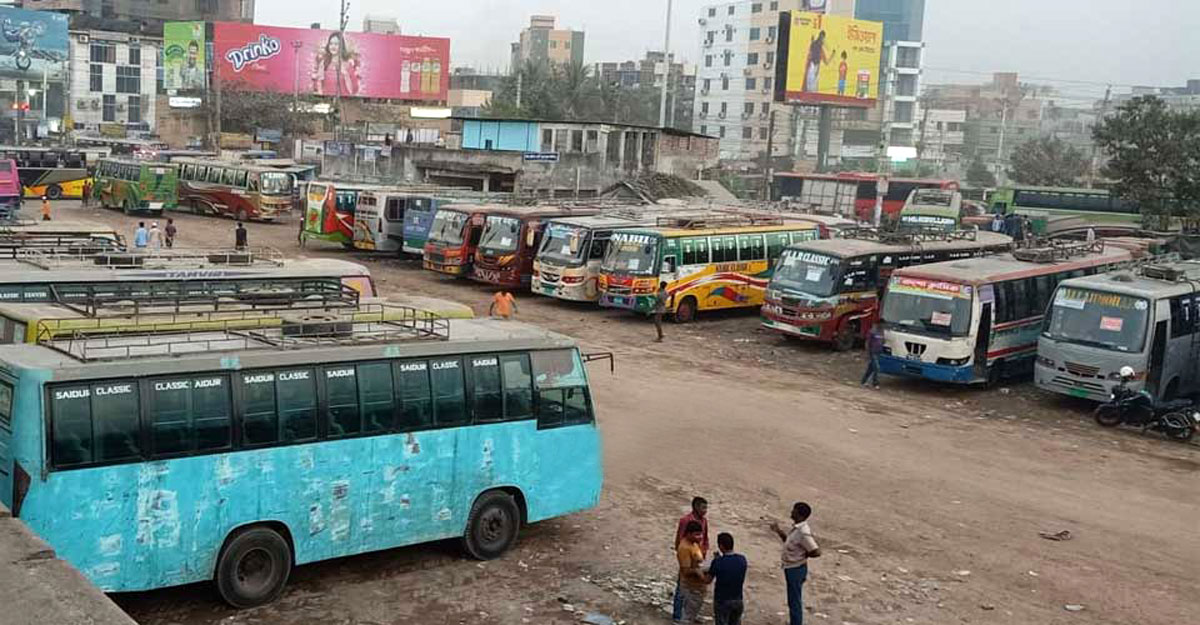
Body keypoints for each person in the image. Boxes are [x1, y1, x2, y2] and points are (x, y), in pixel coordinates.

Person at [771, 502, 822, 625]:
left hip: (796, 569)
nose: (791, 511)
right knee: (793, 599)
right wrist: (778, 531)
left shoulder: (803, 532)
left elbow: (816, 551)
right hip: (792, 567)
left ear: (800, 514)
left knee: (794, 601)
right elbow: (789, 542)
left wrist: (803, 556)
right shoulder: (797, 529)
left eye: (794, 510)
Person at [673, 497, 710, 621]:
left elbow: (705, 538)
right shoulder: (685, 521)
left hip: (698, 556)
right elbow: (680, 538)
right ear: (695, 507)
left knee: (694, 588)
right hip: (688, 557)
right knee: (682, 586)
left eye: (706, 508)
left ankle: (690, 613)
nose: (705, 510)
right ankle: (678, 615)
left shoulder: (704, 521)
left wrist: (703, 552)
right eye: (703, 507)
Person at [707, 533, 748, 625]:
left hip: (722, 600)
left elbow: (707, 580)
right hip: (738, 599)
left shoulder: (718, 562)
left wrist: (696, 572)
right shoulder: (742, 560)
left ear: (721, 546)